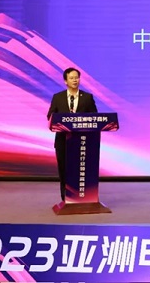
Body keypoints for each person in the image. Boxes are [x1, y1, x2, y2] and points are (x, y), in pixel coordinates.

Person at [47, 67, 97, 201]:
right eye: (72, 78)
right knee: (64, 169)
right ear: (65, 81)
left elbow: (95, 117)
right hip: (63, 140)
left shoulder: (87, 97)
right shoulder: (58, 97)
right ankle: (66, 198)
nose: (75, 80)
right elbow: (50, 116)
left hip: (83, 141)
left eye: (77, 78)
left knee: (81, 170)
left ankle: (83, 197)